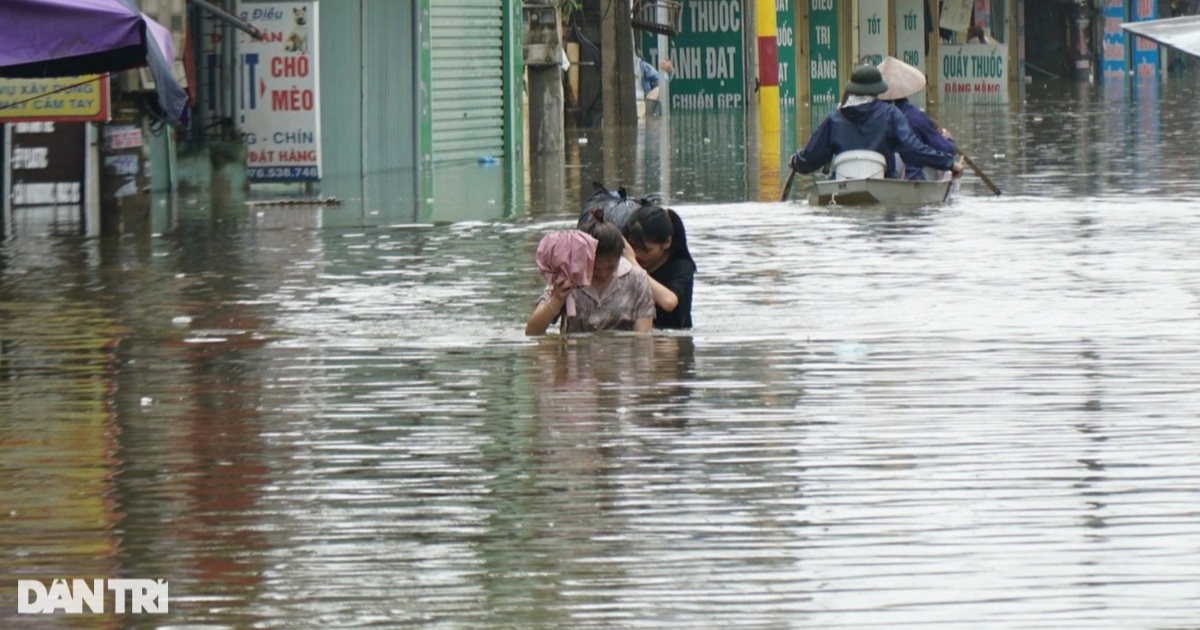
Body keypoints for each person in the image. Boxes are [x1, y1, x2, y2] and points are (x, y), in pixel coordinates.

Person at [789, 65, 963, 180]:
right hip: (885, 183)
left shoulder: (835, 118)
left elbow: (811, 158)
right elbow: (912, 149)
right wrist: (949, 164)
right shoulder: (890, 114)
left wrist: (795, 162)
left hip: (842, 186)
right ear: (877, 90)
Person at [526, 209, 655, 335]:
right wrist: (557, 299)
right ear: (583, 259)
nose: (603, 274)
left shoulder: (637, 280)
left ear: (620, 257)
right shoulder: (568, 278)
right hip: (576, 354)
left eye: (610, 268)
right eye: (595, 269)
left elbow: (642, 337)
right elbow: (532, 331)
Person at [877, 56, 958, 181]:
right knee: (933, 161)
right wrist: (948, 140)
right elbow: (946, 149)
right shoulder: (915, 117)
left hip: (882, 175)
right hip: (911, 176)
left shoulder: (874, 116)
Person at [622, 205, 695, 330]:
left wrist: (633, 264)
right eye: (633, 247)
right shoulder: (623, 263)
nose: (638, 254)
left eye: (646, 250)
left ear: (667, 243)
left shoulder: (682, 267)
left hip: (672, 338)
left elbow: (669, 302)